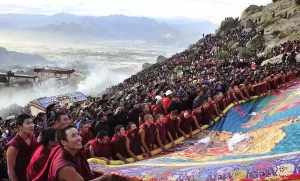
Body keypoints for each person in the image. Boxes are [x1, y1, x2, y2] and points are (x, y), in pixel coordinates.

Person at [49, 126, 137, 181]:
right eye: (73, 136)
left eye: (78, 134)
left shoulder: (76, 153)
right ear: (64, 142)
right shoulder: (65, 167)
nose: (79, 138)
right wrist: (106, 177)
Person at [6, 114, 37, 181]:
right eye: (28, 123)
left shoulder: (32, 137)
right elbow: (11, 171)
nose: (32, 125)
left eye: (32, 122)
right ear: (20, 127)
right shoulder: (13, 146)